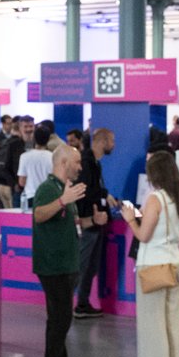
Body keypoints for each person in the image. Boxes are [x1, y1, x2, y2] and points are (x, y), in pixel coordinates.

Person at [122, 150, 179, 357]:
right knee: (172, 327)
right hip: (175, 263)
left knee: (152, 330)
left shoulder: (154, 198)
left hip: (153, 267)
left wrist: (130, 220)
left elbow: (144, 235)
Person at [31, 143, 87, 357]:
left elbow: (68, 222)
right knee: (60, 320)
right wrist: (63, 200)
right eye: (77, 162)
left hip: (65, 264)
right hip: (53, 266)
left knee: (59, 319)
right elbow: (39, 214)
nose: (80, 167)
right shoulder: (48, 189)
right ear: (63, 163)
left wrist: (90, 220)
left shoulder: (63, 189)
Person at [73, 128, 116, 320]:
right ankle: (67, 304)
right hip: (88, 222)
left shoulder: (94, 164)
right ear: (102, 141)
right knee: (82, 265)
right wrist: (103, 194)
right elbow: (84, 191)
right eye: (112, 141)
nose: (113, 145)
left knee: (91, 267)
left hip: (96, 222)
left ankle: (82, 304)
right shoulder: (87, 163)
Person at [17, 124, 54, 209]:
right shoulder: (53, 156)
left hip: (31, 195)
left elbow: (22, 182)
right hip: (48, 196)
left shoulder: (24, 156)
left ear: (34, 138)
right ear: (48, 139)